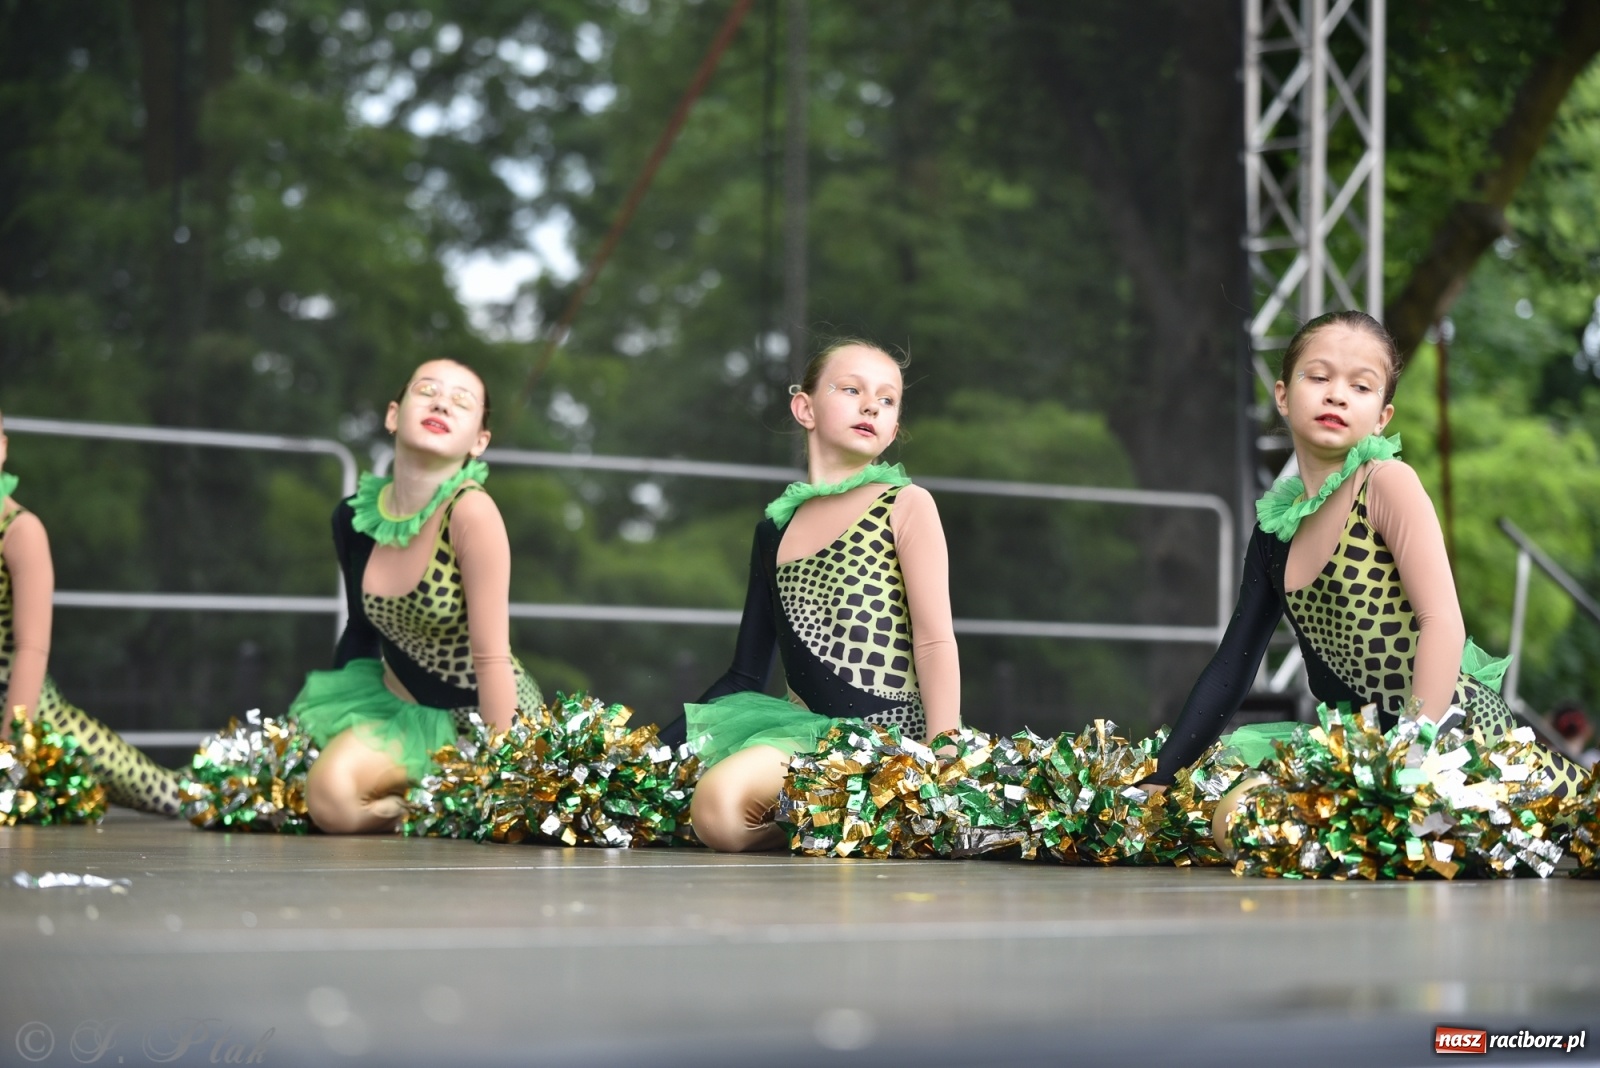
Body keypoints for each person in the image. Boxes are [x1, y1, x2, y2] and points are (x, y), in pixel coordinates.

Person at [1141, 310, 1588, 838]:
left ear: (1382, 416)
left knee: (1574, 833)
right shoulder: (1273, 535)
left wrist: (1416, 757)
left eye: (1360, 385)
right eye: (1319, 376)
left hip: (1452, 739)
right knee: (1236, 820)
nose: (1337, 395)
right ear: (1283, 396)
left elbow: (1442, 622)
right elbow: (1230, 669)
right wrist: (1160, 778)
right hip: (1360, 756)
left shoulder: (1385, 483)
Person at [673, 340, 961, 852]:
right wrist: (653, 746)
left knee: (716, 806)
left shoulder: (906, 504)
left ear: (894, 427)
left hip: (891, 738)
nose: (871, 405)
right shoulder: (773, 532)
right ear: (804, 407)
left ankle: (866, 818)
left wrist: (943, 756)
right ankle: (838, 827)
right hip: (805, 737)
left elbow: (935, 640)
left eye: (887, 399)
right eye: (851, 389)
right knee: (700, 808)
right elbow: (745, 673)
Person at [298, 360, 542, 833]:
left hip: (484, 719)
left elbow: (493, 658)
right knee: (327, 800)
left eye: (462, 401)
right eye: (426, 390)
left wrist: (505, 774)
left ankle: (453, 802)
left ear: (479, 443)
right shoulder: (352, 518)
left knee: (337, 800)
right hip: (398, 710)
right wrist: (326, 722)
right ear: (394, 415)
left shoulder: (471, 512)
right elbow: (361, 630)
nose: (441, 402)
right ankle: (433, 804)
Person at [0, 408, 183, 815]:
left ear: (4, 447)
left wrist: (8, 753)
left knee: (175, 795)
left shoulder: (20, 529)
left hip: (31, 719)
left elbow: (31, 648)